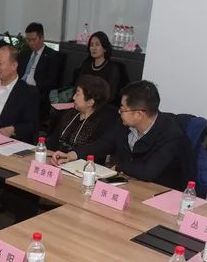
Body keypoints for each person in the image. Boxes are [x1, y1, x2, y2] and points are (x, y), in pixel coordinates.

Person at [52, 80, 193, 189]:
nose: (119, 112)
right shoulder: (125, 123)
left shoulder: (171, 134)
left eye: (123, 109)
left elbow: (149, 172)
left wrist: (120, 167)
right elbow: (104, 144)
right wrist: (73, 154)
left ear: (139, 114)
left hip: (161, 194)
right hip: (129, 185)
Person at [45, 75, 118, 155]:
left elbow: (93, 151)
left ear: (90, 102)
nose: (73, 97)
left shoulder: (100, 124)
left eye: (77, 94)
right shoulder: (70, 113)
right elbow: (54, 139)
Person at [72, 31, 124, 104]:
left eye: (97, 44)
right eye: (91, 45)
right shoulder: (86, 64)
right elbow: (78, 85)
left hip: (101, 105)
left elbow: (110, 95)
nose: (94, 48)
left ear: (105, 48)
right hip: (83, 102)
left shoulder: (112, 68)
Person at [18, 22, 61, 108]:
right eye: (28, 40)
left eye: (33, 40)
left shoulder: (52, 56)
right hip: (20, 88)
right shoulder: (24, 53)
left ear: (42, 38)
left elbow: (52, 82)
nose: (30, 43)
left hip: (36, 91)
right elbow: (17, 72)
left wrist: (31, 89)